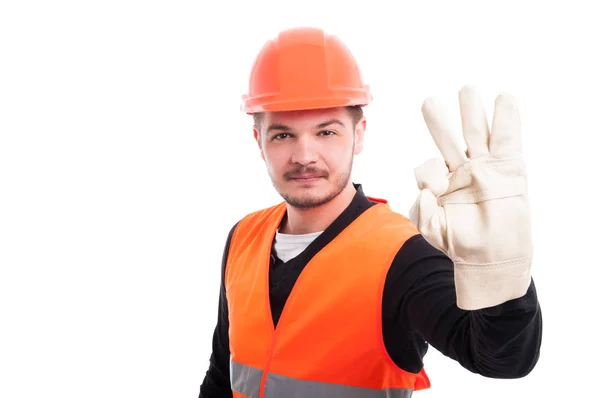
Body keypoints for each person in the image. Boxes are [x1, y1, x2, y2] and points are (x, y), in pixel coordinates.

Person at [198, 26, 542, 398]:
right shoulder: (243, 237)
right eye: (283, 135)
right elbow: (222, 372)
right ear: (259, 142)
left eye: (326, 132)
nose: (304, 156)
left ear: (358, 134)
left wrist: (504, 284)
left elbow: (501, 359)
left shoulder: (403, 254)